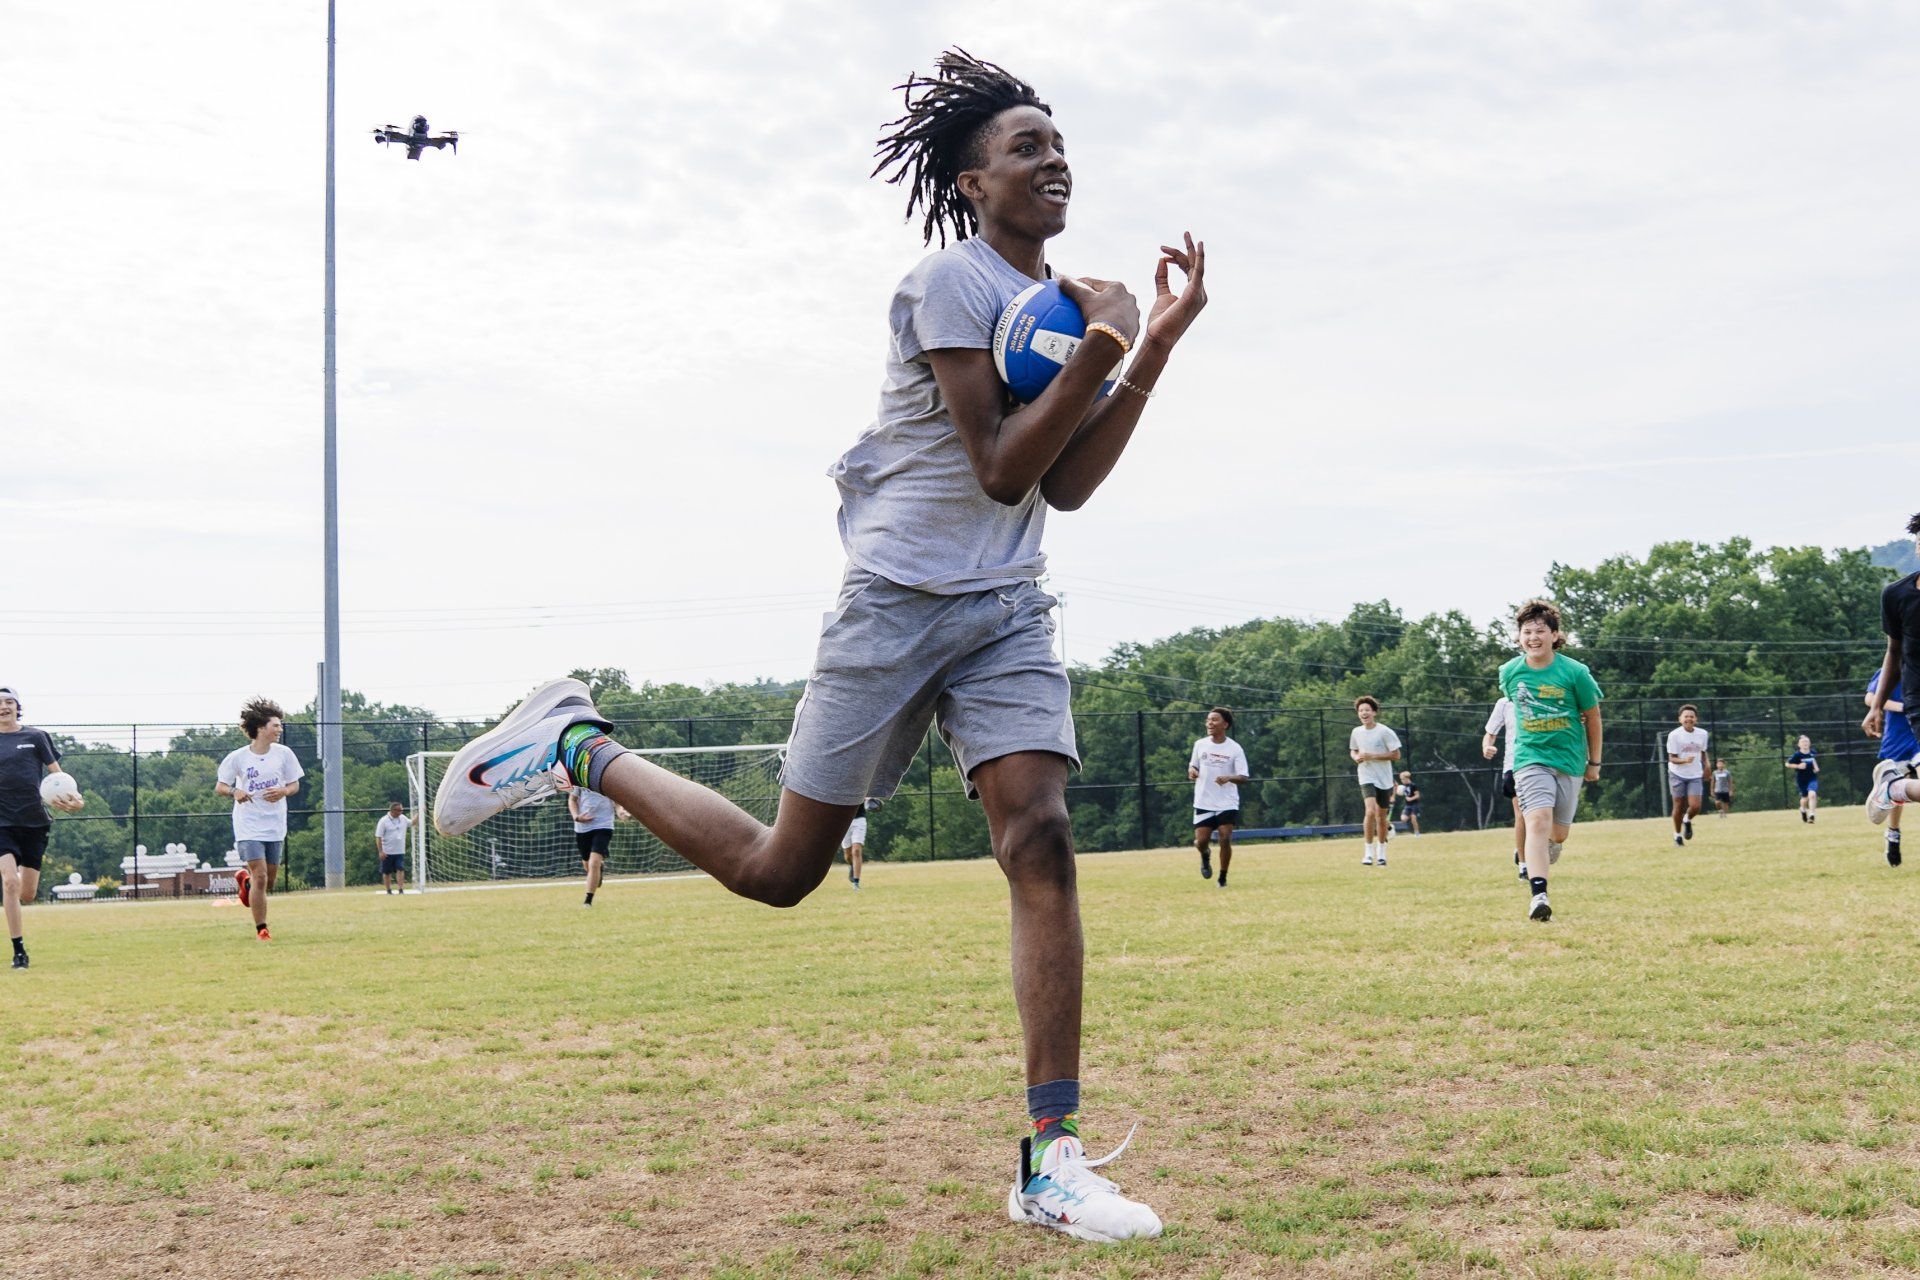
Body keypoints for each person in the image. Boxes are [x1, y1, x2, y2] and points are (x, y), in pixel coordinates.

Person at [431, 50, 1205, 1243]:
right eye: (1026, 147)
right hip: (895, 603)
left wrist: (1151, 341)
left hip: (1005, 607)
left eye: (1059, 145)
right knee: (778, 869)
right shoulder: (947, 282)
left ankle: (1050, 1157)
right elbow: (1001, 464)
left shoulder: (1071, 301)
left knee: (1041, 834)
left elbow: (1067, 485)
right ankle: (582, 745)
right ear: (972, 181)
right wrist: (1104, 344)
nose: (1054, 161)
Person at [1499, 600, 1603, 923]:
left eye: (1540, 631)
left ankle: (1546, 849)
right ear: (1519, 637)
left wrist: (1594, 763)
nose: (1533, 637)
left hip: (1569, 759)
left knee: (1557, 835)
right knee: (1537, 821)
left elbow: (1593, 717)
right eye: (1527, 632)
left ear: (1555, 635)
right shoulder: (1509, 672)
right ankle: (1539, 896)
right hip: (1530, 758)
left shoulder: (1575, 673)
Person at [0, 686, 84, 970]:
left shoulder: (36, 737)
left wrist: (75, 800)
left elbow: (59, 778)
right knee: (9, 883)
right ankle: (19, 951)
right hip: (2, 823)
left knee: (27, 894)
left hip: (34, 822)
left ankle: (16, 881)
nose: (4, 707)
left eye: (9, 702)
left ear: (17, 707)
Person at [214, 698, 303, 941]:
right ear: (261, 728)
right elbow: (221, 786)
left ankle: (246, 885)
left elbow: (294, 784)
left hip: (274, 824)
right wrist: (235, 791)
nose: (280, 729)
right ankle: (262, 930)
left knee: (268, 882)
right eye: (276, 725)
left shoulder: (284, 754)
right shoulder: (238, 757)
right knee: (261, 875)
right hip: (248, 825)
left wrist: (284, 791)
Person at [1867, 514, 1920, 831]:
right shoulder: (1897, 595)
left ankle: (1895, 786)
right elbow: (1894, 652)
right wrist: (1877, 706)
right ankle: (1892, 788)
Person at [1188, 707, 1249, 887]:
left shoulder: (1235, 748)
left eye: (1214, 720)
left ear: (1225, 725)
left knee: (1225, 838)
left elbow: (1243, 777)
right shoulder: (1200, 744)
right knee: (1201, 842)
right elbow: (1193, 766)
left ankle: (1222, 878)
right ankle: (1205, 854)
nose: (1210, 723)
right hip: (1204, 800)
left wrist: (1229, 777)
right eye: (1208, 720)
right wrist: (1192, 771)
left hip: (1227, 802)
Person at [1865, 670, 1912, 865]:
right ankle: (1893, 833)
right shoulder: (1895, 665)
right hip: (1898, 738)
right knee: (1898, 788)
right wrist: (1903, 707)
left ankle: (1890, 789)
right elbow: (1870, 698)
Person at [1349, 696, 1401, 867]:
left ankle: (1381, 854)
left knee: (1381, 816)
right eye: (1360, 710)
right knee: (1370, 811)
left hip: (1384, 779)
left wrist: (1373, 756)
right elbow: (1353, 750)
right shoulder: (1356, 732)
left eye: (1367, 710)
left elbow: (1396, 755)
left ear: (1374, 712)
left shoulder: (1384, 731)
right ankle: (1368, 853)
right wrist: (1355, 757)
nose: (1363, 713)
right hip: (1366, 776)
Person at [1482, 695, 1524, 879]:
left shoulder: (1544, 694)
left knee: (1547, 816)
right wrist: (1486, 747)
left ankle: (1527, 847)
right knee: (1522, 814)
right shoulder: (1505, 702)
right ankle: (1524, 865)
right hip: (1514, 765)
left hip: (1545, 763)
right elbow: (1490, 733)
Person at [560, 777, 615, 907]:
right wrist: (576, 817)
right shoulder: (579, 779)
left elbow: (616, 799)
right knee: (587, 864)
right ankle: (598, 870)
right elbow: (572, 800)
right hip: (583, 828)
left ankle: (588, 901)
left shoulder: (608, 778)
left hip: (604, 825)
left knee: (594, 862)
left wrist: (621, 810)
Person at [1665, 704, 1711, 847]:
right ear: (1680, 719)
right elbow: (1672, 758)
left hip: (1695, 775)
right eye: (1686, 716)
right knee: (1678, 805)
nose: (1689, 719)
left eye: (1692, 716)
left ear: (1696, 719)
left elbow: (1703, 753)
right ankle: (1677, 835)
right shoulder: (1674, 735)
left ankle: (1687, 819)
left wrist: (1707, 766)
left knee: (1695, 806)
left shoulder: (1702, 734)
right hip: (1677, 774)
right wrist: (1684, 760)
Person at [374, 802, 411, 894]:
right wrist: (380, 851)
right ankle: (388, 890)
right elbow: (378, 837)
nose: (401, 812)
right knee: (387, 872)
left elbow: (412, 823)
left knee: (400, 869)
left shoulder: (403, 818)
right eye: (399, 810)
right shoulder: (383, 821)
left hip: (399, 851)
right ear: (393, 810)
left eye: (402, 810)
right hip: (387, 851)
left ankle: (400, 889)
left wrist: (420, 813)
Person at [1785, 735, 1819, 822]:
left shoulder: (1813, 752)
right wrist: (1798, 766)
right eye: (1803, 742)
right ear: (1799, 744)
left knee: (1812, 794)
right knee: (1804, 798)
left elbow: (1813, 759)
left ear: (1809, 743)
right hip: (1801, 779)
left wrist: (1816, 767)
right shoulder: (1797, 755)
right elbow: (1787, 764)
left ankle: (1811, 815)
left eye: (1807, 741)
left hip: (1812, 778)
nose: (1805, 743)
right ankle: (1803, 809)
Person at [841, 803, 870, 889]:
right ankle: (852, 865)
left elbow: (867, 796)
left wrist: (870, 800)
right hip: (844, 820)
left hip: (859, 819)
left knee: (856, 851)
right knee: (848, 855)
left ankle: (856, 883)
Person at [1394, 771, 1422, 836]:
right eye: (1401, 779)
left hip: (1414, 804)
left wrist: (1410, 798)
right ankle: (1410, 815)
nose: (1401, 781)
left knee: (1413, 819)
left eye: (1402, 779)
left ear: (1407, 778)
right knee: (1403, 819)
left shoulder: (1413, 785)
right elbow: (1401, 792)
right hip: (1407, 805)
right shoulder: (1404, 786)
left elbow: (1417, 795)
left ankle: (1417, 833)